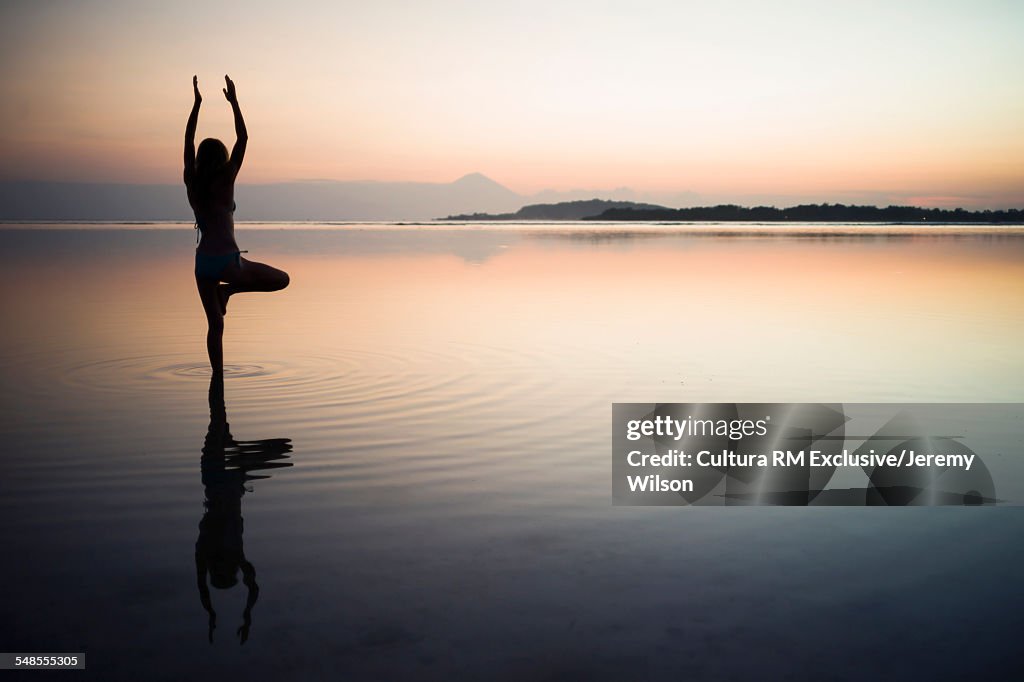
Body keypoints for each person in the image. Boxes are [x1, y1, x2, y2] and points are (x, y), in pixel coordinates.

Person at [184, 75, 289, 372]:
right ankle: (229, 291)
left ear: (200, 160)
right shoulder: (226, 177)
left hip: (203, 263)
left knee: (215, 326)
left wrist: (197, 105)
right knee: (282, 279)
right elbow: (243, 139)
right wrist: (234, 102)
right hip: (229, 264)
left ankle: (217, 379)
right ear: (222, 158)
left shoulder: (191, 182)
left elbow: (188, 141)